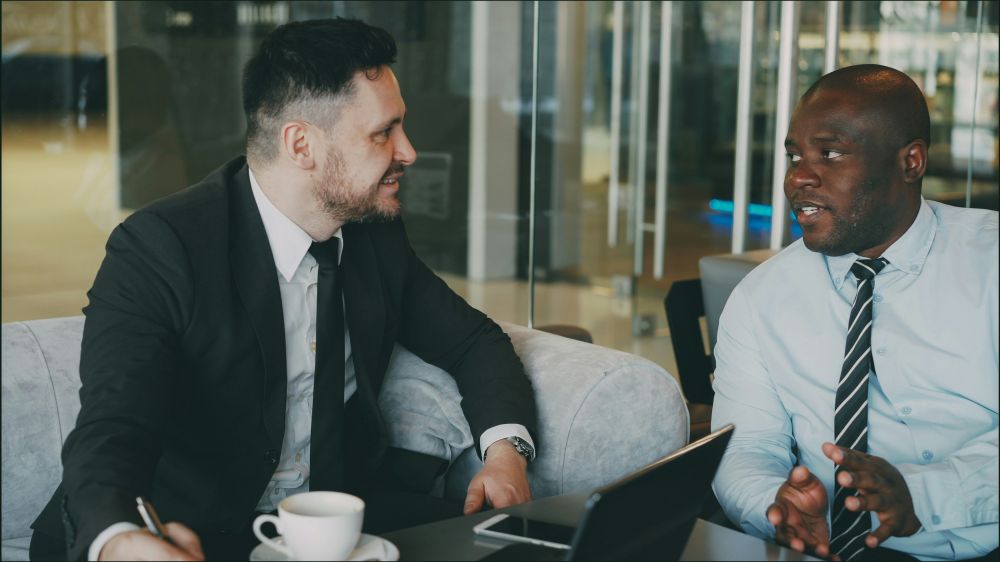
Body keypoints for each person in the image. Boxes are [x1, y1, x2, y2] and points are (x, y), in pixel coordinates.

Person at [30, 18, 538, 561]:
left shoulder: (372, 236)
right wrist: (116, 536)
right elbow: (114, 424)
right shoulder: (161, 248)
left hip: (329, 522)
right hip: (189, 531)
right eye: (383, 132)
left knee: (514, 548)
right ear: (301, 144)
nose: (408, 151)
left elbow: (473, 342)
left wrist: (505, 452)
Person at [711, 64, 998, 561]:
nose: (798, 177)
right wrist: (774, 506)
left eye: (830, 153)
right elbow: (745, 448)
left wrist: (922, 494)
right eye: (795, 156)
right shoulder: (761, 297)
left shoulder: (990, 265)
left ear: (910, 162)